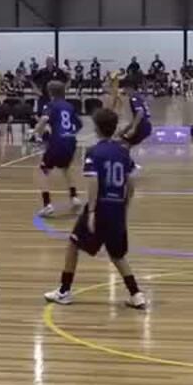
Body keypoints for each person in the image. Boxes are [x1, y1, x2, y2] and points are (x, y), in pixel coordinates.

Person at [43, 107, 146, 310]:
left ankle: (64, 291)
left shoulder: (94, 152)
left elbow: (94, 183)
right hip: (117, 209)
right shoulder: (123, 152)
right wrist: (125, 207)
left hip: (100, 208)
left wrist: (91, 211)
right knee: (117, 254)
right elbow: (131, 183)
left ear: (97, 129)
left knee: (73, 244)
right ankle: (136, 294)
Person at [35, 80, 84, 217]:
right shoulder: (69, 106)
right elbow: (80, 124)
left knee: (43, 171)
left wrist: (35, 134)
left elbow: (44, 120)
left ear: (50, 93)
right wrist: (69, 133)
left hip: (57, 141)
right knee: (66, 168)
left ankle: (47, 205)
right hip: (70, 141)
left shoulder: (50, 105)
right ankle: (74, 198)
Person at [118, 78, 152, 147]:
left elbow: (140, 112)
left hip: (142, 126)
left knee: (124, 143)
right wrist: (125, 129)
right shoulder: (139, 96)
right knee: (125, 142)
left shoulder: (134, 98)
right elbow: (135, 118)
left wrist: (133, 128)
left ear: (130, 88)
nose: (124, 90)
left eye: (125, 88)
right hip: (145, 125)